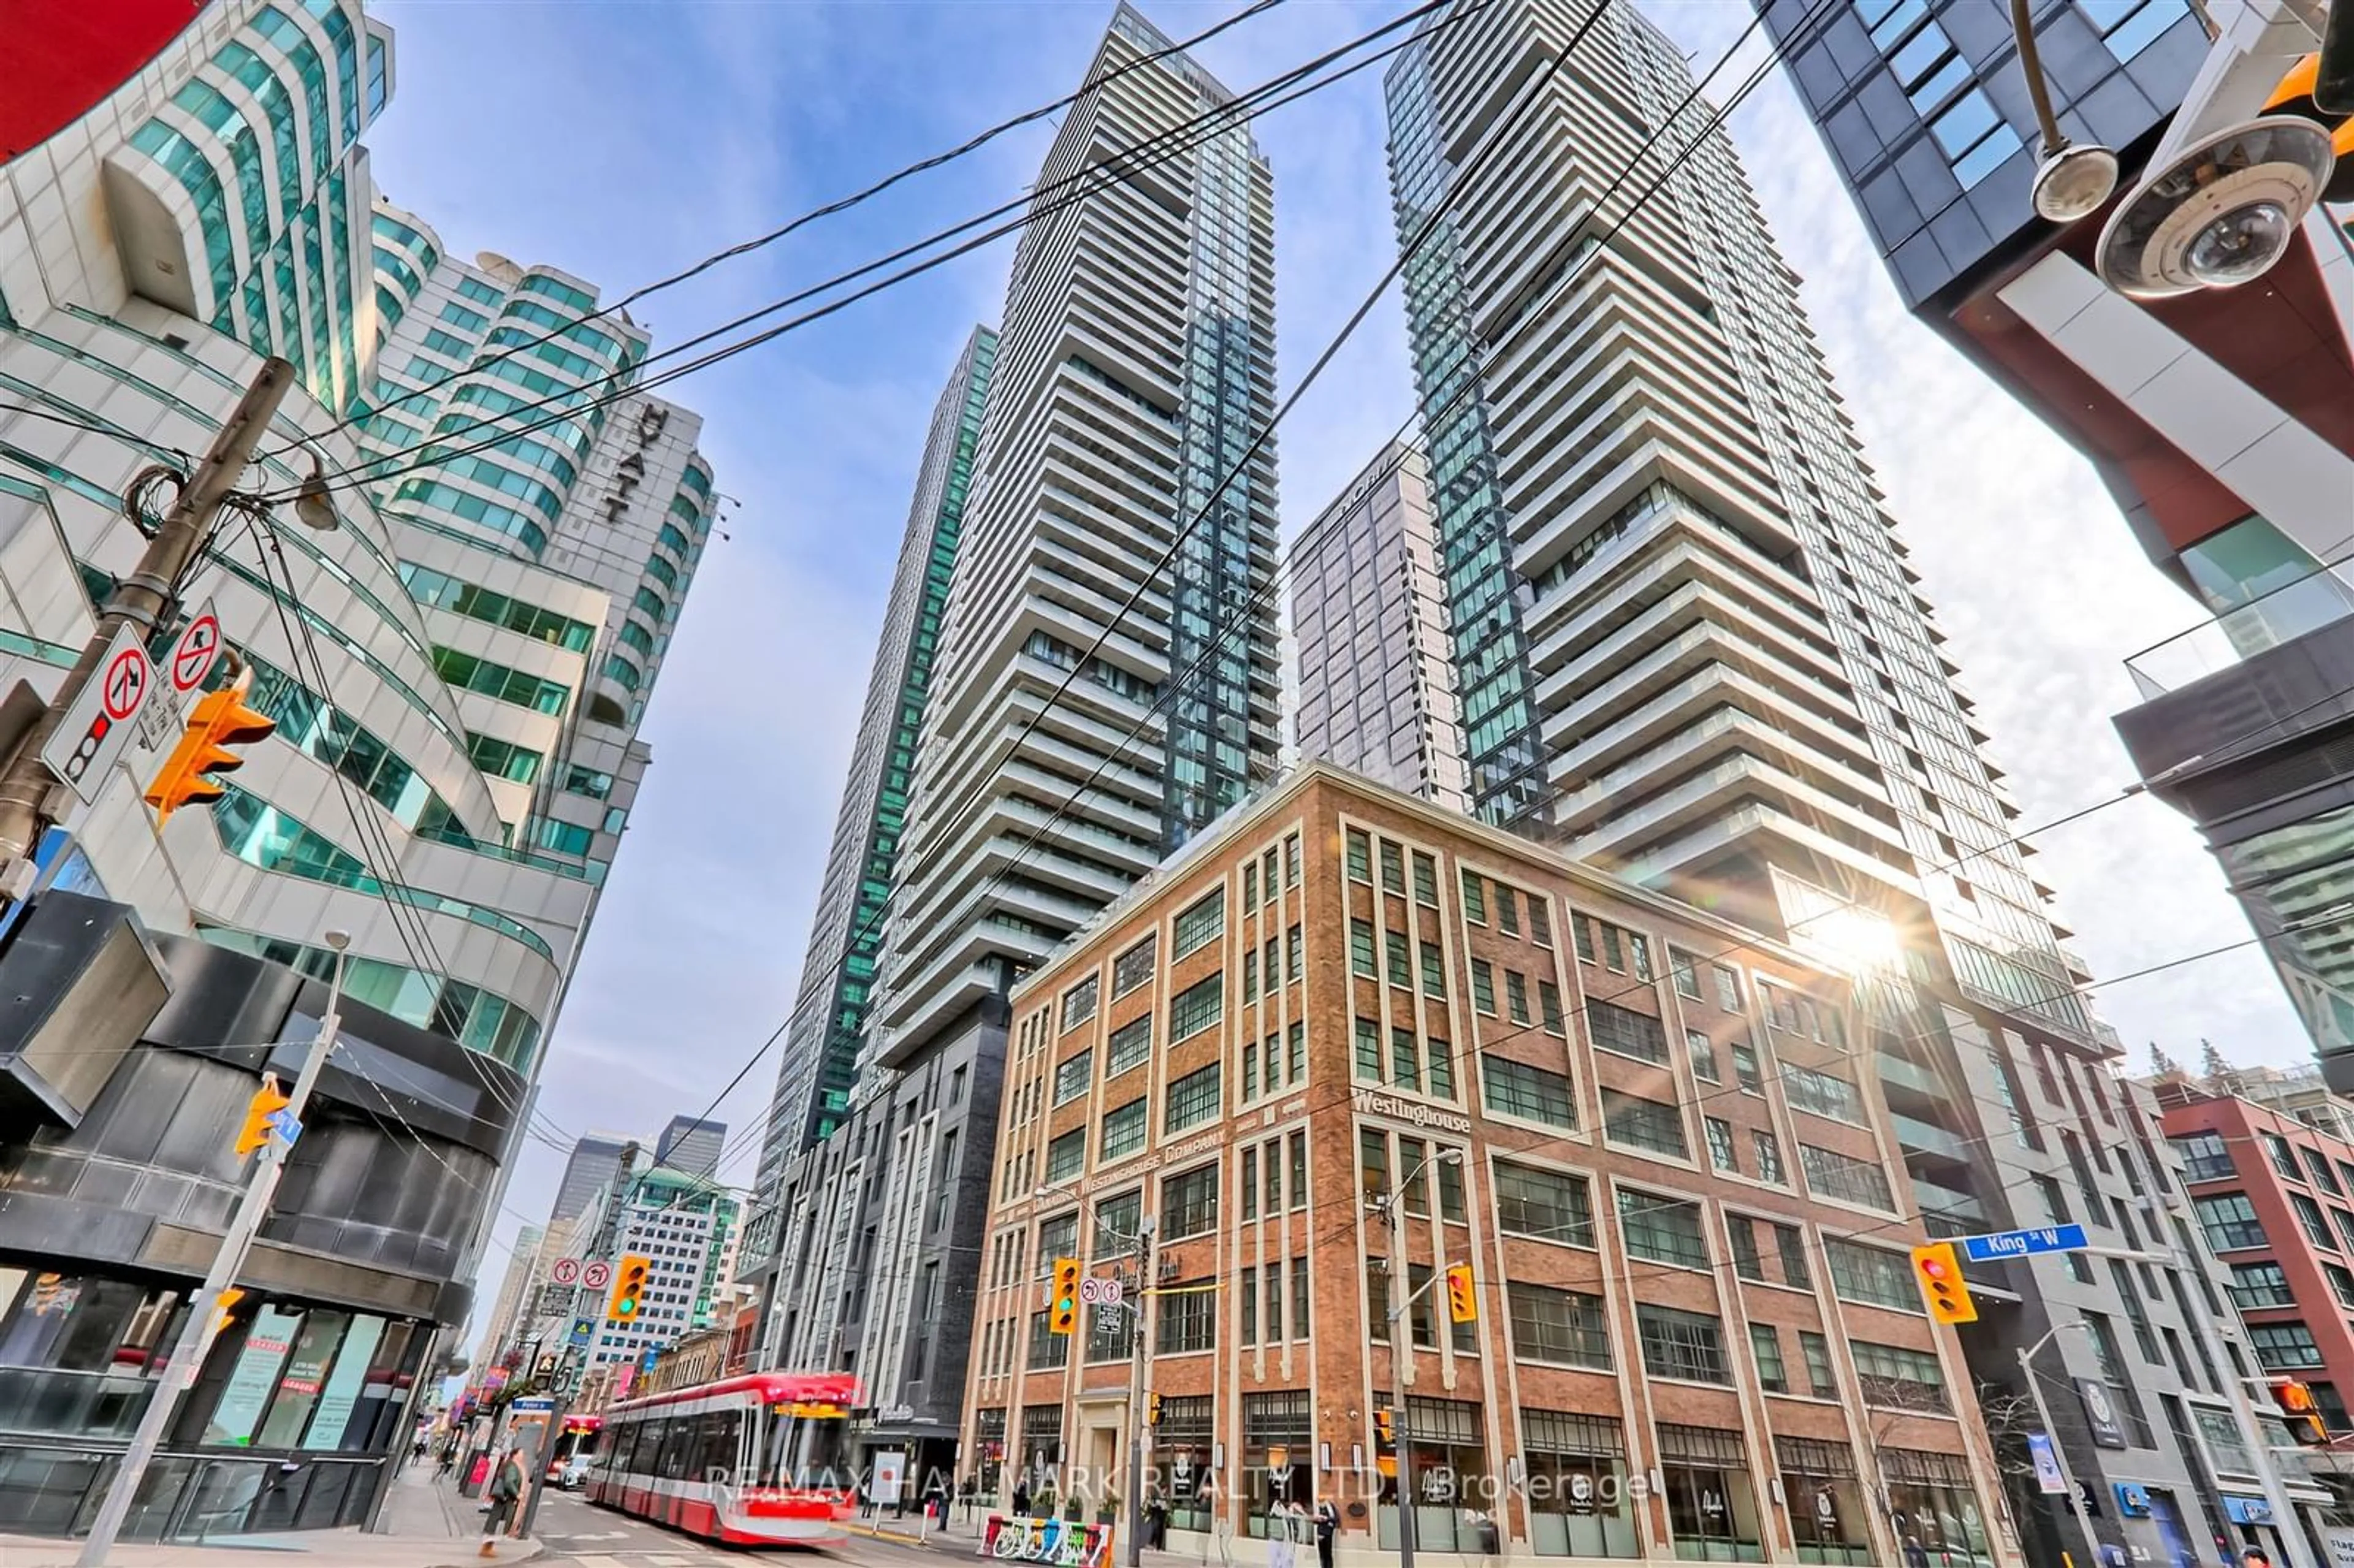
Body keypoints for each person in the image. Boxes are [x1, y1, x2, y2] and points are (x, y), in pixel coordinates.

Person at [479, 1449, 524, 1559]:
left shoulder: (509, 1465)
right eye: (521, 1454)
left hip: (503, 1498)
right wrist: (517, 1494)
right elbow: (509, 1482)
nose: (523, 1456)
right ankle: (486, 1548)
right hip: (506, 1498)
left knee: (495, 1521)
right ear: (515, 1455)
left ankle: (487, 1547)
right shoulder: (512, 1466)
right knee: (499, 1523)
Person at [1315, 1497, 1337, 1568]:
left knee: (1328, 1553)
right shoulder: (1318, 1508)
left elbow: (1335, 1519)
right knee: (1322, 1554)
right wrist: (1317, 1519)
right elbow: (1315, 1521)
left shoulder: (1330, 1507)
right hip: (1320, 1532)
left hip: (1328, 1532)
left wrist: (1326, 1519)